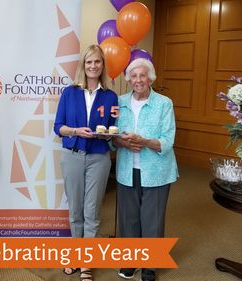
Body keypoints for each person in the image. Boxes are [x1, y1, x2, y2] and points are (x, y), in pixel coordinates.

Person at [54, 44, 118, 281]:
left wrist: (110, 134)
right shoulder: (69, 93)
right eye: (89, 62)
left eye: (97, 62)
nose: (93, 66)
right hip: (72, 156)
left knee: (92, 211)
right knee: (75, 211)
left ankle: (86, 262)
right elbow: (57, 127)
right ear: (83, 65)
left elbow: (113, 129)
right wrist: (75, 131)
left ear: (102, 65)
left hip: (99, 159)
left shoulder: (110, 96)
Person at [112, 58, 178, 281]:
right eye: (134, 76)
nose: (138, 80)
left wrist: (143, 141)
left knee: (153, 219)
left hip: (157, 171)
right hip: (126, 169)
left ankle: (150, 265)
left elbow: (168, 140)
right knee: (128, 218)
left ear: (150, 78)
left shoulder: (164, 103)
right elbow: (112, 137)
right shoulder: (119, 102)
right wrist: (121, 142)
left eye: (142, 75)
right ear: (128, 79)